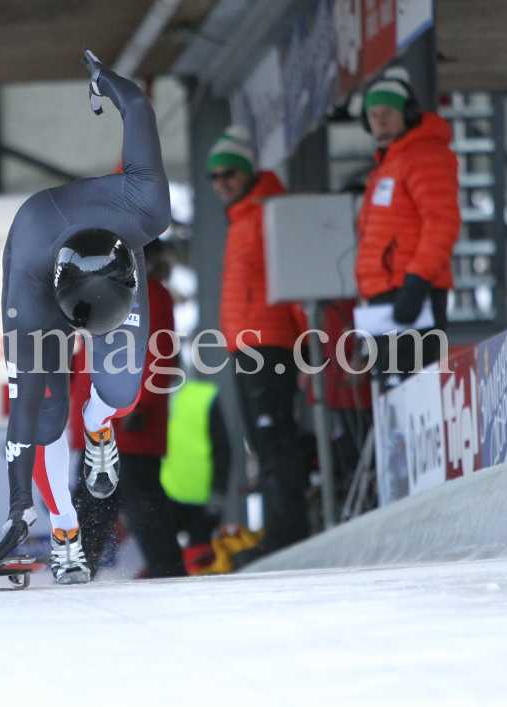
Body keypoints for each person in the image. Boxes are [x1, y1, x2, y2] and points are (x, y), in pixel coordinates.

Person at [0, 49, 171, 585]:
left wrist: (102, 81)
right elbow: (23, 422)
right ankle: (66, 532)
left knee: (121, 390)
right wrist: (20, 507)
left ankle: (100, 428)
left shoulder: (147, 210)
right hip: (38, 266)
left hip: (110, 247)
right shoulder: (31, 290)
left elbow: (136, 105)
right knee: (47, 414)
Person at [211, 125, 310, 557]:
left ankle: (286, 533)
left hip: (269, 344)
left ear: (249, 171)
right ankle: (280, 531)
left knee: (275, 441)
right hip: (245, 346)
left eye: (230, 173)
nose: (221, 183)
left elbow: (297, 282)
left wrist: (309, 350)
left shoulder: (268, 213)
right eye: (214, 177)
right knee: (263, 443)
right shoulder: (242, 217)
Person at [71, 238, 187, 579]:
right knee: (100, 511)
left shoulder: (151, 295)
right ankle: (78, 573)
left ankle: (168, 576)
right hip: (106, 423)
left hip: (130, 426)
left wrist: (142, 405)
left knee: (141, 513)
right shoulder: (103, 294)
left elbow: (160, 355)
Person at [356, 66, 460, 387]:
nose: (379, 121)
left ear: (408, 114)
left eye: (387, 112)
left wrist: (416, 282)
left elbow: (442, 220)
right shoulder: (388, 164)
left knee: (412, 396)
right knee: (392, 400)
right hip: (385, 299)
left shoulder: (423, 154)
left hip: (413, 295)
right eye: (373, 115)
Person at [159, 378, 231, 574]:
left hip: (194, 505)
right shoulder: (203, 396)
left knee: (194, 566)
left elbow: (223, 449)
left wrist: (218, 494)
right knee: (172, 567)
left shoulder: (203, 396)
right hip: (172, 499)